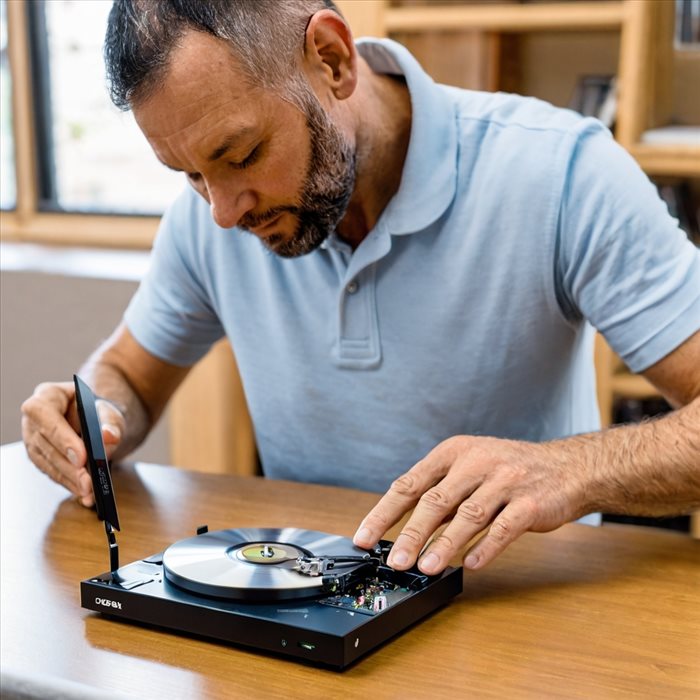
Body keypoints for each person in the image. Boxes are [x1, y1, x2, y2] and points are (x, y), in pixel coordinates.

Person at [22, 0, 700, 576]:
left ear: (332, 59)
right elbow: (128, 380)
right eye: (189, 174)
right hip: (309, 609)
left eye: (241, 155)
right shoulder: (210, 219)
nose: (223, 212)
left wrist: (568, 472)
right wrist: (93, 416)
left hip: (519, 608)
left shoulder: (561, 172)